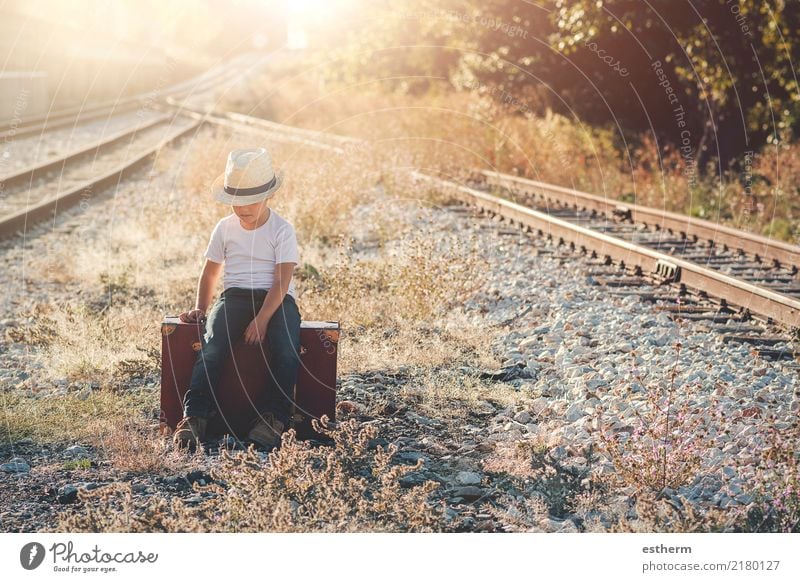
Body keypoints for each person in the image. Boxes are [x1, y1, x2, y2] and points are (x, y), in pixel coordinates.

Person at [173, 147, 302, 451]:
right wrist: (200, 309)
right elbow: (209, 275)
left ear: (268, 196)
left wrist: (262, 319)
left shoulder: (282, 230)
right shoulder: (225, 228)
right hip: (235, 296)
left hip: (276, 299)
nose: (242, 209)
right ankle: (195, 417)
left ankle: (273, 419)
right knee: (213, 346)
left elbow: (282, 280)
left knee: (286, 350)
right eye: (236, 202)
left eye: (250, 201)